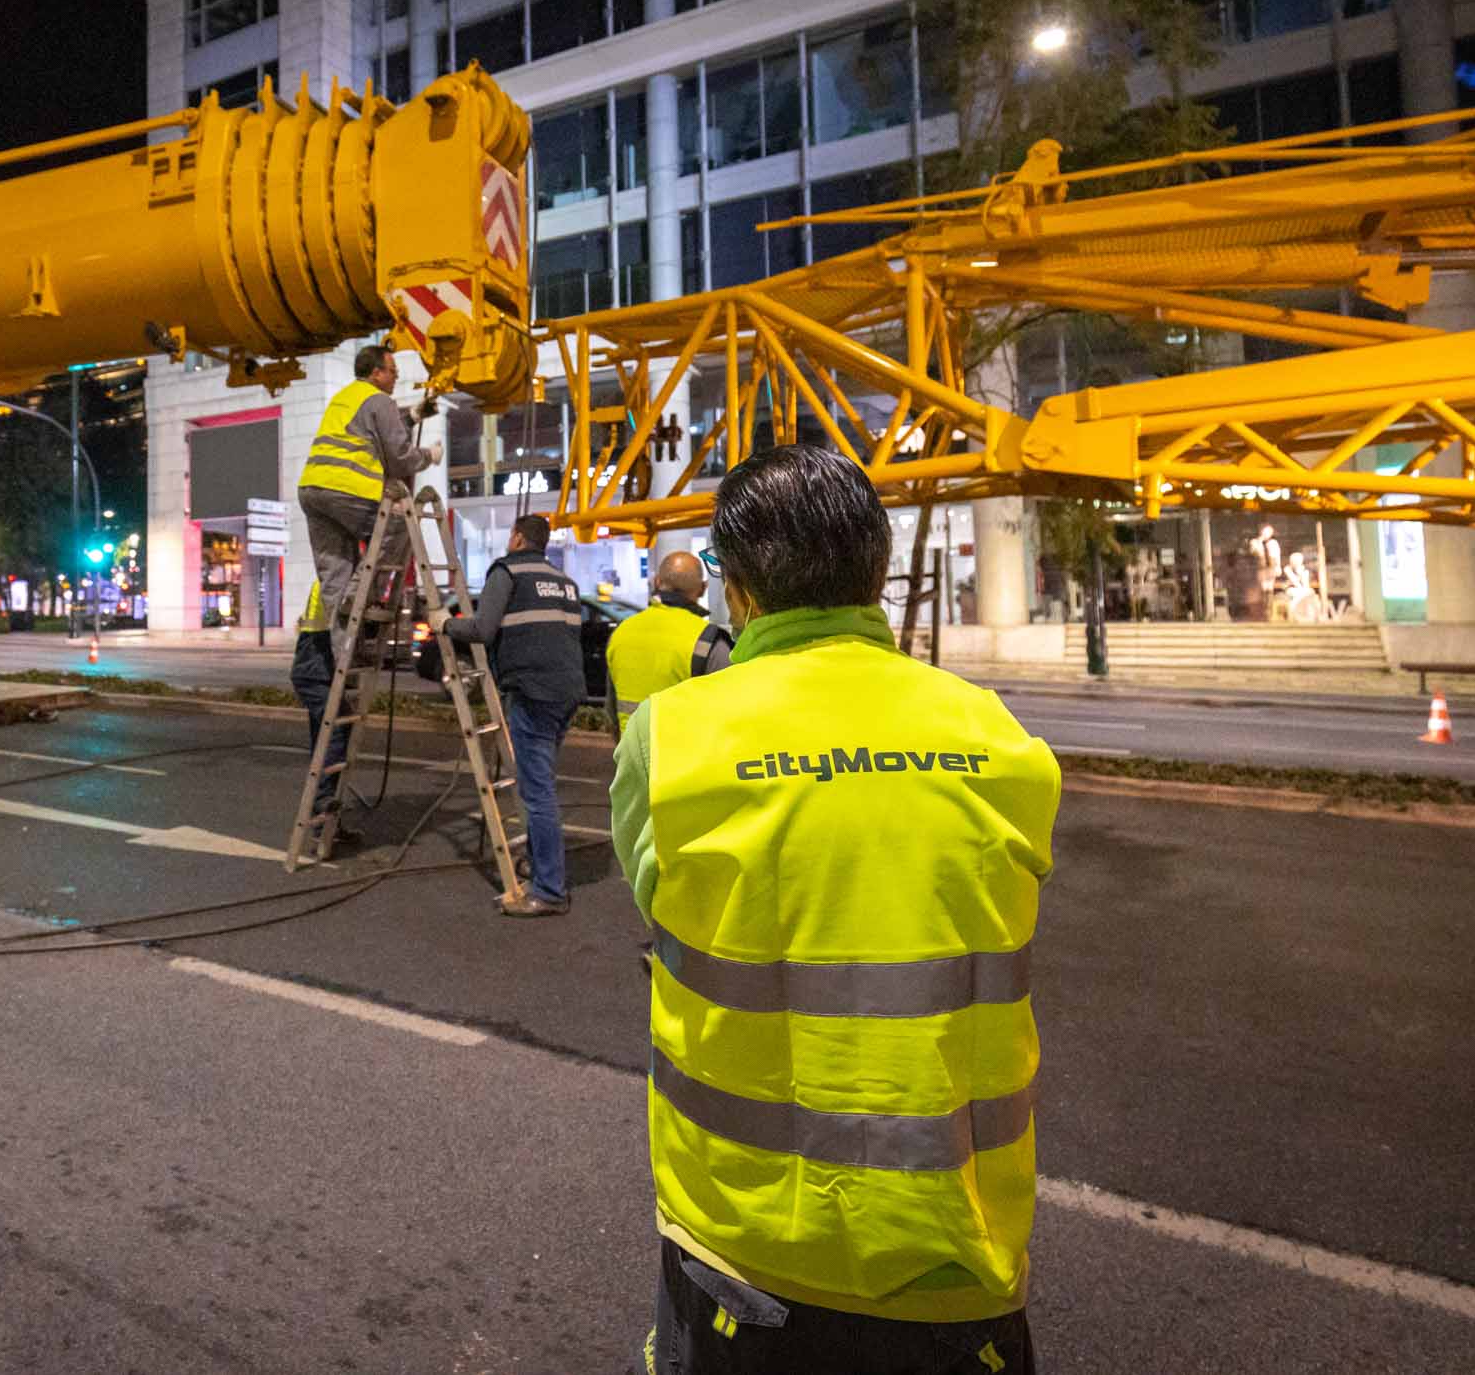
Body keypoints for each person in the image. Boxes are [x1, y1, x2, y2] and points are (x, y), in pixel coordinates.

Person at [610, 445, 1059, 1374]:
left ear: (736, 591)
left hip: (747, 1255)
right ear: (878, 572)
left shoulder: (673, 740)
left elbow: (666, 910)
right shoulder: (1001, 738)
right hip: (958, 1256)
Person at [436, 512, 584, 917]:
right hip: (567, 692)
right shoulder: (565, 583)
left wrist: (445, 624)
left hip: (532, 692)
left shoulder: (508, 572)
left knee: (536, 793)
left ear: (518, 538)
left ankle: (550, 890)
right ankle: (540, 865)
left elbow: (483, 630)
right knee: (542, 782)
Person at [297, 345, 439, 645]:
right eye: (392, 372)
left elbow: (372, 431)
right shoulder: (380, 400)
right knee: (400, 526)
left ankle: (344, 662)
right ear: (376, 373)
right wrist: (430, 455)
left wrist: (413, 416)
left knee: (335, 577)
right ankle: (360, 593)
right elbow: (400, 458)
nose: (395, 378)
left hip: (312, 491)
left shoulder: (344, 397)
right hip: (347, 490)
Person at [605, 550, 732, 717]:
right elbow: (728, 712)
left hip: (629, 742)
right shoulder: (708, 641)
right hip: (685, 743)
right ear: (703, 588)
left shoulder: (621, 633)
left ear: (657, 581)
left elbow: (611, 710)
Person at [288, 582, 363, 851]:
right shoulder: (334, 582)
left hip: (317, 666)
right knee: (337, 734)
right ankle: (323, 804)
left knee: (326, 741)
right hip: (314, 669)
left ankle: (327, 824)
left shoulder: (330, 579)